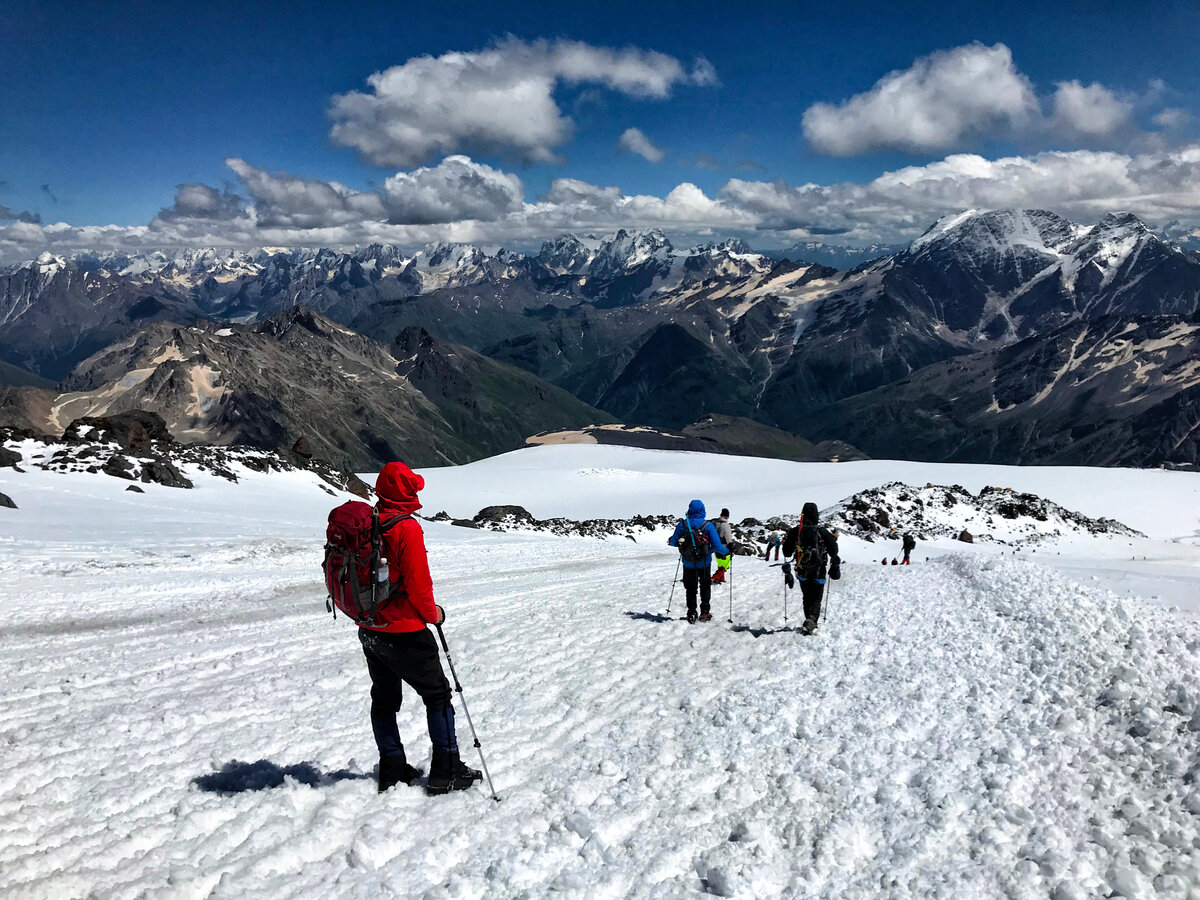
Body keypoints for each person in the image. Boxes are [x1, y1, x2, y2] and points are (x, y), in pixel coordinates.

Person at [360, 461, 482, 795]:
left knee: (384, 699)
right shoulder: (406, 528)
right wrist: (434, 614)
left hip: (370, 627)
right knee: (439, 696)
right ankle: (446, 770)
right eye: (412, 486)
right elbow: (418, 585)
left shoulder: (369, 522)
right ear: (405, 491)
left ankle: (392, 767)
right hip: (405, 630)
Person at [782, 502, 840, 636]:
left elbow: (786, 553)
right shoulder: (822, 531)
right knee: (816, 598)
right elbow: (834, 552)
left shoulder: (797, 531)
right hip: (819, 571)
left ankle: (809, 619)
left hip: (803, 570)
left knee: (806, 596)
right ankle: (812, 620)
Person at [669, 500, 730, 623]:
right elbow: (717, 546)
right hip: (704, 563)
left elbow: (672, 542)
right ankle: (705, 612)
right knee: (705, 586)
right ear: (702, 510)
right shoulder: (707, 525)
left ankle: (691, 612)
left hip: (688, 563)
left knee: (690, 588)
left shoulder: (683, 525)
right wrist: (727, 552)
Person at [710, 508, 733, 584]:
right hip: (724, 548)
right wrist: (731, 549)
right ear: (727, 516)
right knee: (725, 566)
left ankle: (721, 579)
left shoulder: (715, 524)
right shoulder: (725, 525)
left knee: (720, 564)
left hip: (716, 547)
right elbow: (728, 538)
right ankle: (714, 578)